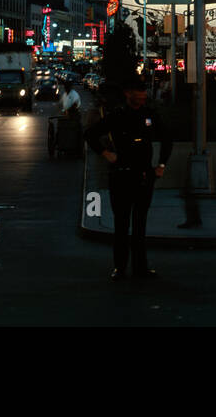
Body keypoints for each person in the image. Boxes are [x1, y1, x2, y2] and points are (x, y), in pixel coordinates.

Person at [83, 77, 171, 281]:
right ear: (127, 93)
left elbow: (167, 138)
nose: (142, 96)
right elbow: (90, 134)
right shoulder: (117, 116)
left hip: (144, 176)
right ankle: (120, 268)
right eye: (137, 92)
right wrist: (106, 154)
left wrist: (162, 165)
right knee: (121, 225)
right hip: (122, 175)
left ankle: (141, 268)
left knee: (140, 225)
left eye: (143, 93)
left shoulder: (150, 115)